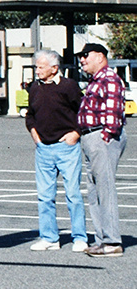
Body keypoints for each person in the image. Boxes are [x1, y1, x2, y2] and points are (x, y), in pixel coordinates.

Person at [24, 49, 86, 252]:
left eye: (41, 67)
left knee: (73, 194)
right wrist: (34, 134)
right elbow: (30, 114)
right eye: (36, 67)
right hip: (43, 149)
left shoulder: (69, 87)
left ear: (54, 68)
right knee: (44, 196)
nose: (37, 70)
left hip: (67, 147)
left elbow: (83, 112)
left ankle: (79, 237)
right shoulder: (34, 88)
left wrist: (75, 133)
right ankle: (49, 237)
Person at [77, 43, 128, 258]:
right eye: (80, 57)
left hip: (102, 137)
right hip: (91, 137)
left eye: (85, 56)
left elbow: (114, 110)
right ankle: (101, 239)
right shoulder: (95, 81)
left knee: (104, 190)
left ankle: (112, 241)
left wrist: (106, 136)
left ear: (100, 56)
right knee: (94, 191)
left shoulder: (109, 78)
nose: (82, 60)